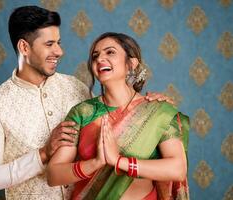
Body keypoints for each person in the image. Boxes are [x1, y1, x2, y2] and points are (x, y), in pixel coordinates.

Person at [0, 5, 173, 200]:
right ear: (24, 47)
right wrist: (42, 154)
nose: (59, 51)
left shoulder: (76, 88)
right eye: (49, 44)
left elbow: (122, 120)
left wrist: (152, 106)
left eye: (59, 42)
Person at [47, 32, 189, 200]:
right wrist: (95, 163)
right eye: (95, 56)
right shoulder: (83, 112)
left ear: (131, 63)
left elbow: (177, 169)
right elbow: (54, 174)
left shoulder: (158, 112)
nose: (100, 59)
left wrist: (119, 161)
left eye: (110, 52)